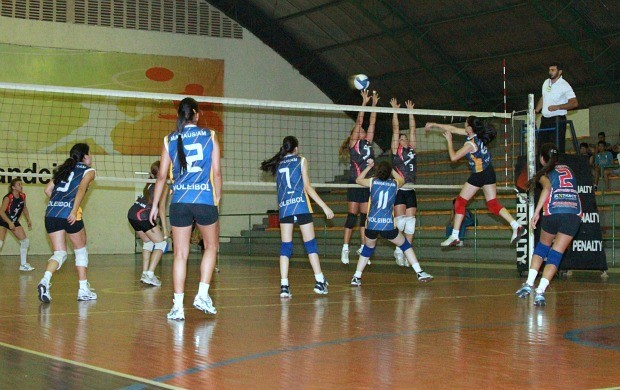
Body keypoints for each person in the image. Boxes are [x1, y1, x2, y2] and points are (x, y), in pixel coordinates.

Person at [149, 97, 222, 321]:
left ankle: (178, 307)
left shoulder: (169, 138)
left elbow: (161, 175)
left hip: (179, 201)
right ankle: (202, 294)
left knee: (180, 254)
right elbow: (217, 173)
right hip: (204, 199)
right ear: (197, 115)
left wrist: (154, 206)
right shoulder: (209, 135)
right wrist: (217, 198)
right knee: (211, 247)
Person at [425, 117, 526, 247]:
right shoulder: (476, 135)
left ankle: (455, 236)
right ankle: (516, 225)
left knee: (460, 202)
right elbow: (453, 129)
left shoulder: (470, 144)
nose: (464, 126)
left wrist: (449, 141)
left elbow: (454, 157)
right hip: (489, 171)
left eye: (466, 124)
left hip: (480, 174)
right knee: (492, 204)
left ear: (470, 128)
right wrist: (434, 123)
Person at [260, 136, 334, 297]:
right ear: (296, 148)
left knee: (286, 247)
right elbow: (307, 187)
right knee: (311, 245)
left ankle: (284, 286)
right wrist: (324, 206)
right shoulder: (301, 160)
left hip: (285, 208)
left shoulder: (278, 163)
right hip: (301, 205)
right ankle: (319, 281)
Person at [515, 143, 582, 306]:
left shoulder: (546, 172)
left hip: (554, 210)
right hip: (574, 213)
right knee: (556, 253)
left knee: (543, 247)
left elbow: (547, 188)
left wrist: (537, 212)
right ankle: (540, 292)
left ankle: (529, 284)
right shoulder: (568, 169)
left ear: (542, 159)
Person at [350, 159, 433, 286]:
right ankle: (419, 272)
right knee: (405, 245)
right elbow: (403, 180)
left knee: (367, 248)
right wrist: (392, 169)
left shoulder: (373, 181)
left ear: (377, 172)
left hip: (372, 225)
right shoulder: (394, 184)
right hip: (387, 226)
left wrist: (369, 167)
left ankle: (356, 277)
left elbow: (358, 179)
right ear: (389, 173)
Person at [37, 143, 97, 303]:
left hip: (51, 213)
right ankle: (83, 290)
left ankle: (45, 280)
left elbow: (47, 190)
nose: (91, 157)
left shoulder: (64, 169)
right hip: (70, 213)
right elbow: (81, 189)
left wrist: (58, 203)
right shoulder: (89, 171)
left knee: (59, 253)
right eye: (90, 154)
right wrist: (72, 209)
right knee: (80, 250)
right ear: (84, 156)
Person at [338, 90, 379, 264]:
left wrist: (374, 105)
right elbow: (361, 120)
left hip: (367, 183)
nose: (362, 130)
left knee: (365, 218)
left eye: (362, 130)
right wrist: (364, 103)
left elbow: (372, 122)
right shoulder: (354, 144)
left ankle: (363, 249)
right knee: (351, 216)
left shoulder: (368, 142)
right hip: (355, 182)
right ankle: (345, 248)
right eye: (359, 129)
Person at [128, 161, 169, 287]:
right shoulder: (164, 185)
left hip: (132, 214)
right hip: (142, 216)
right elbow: (161, 208)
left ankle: (145, 273)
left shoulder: (150, 183)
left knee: (148, 242)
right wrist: (165, 229)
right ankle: (150, 275)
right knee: (161, 243)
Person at [390, 98, 418, 266]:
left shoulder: (412, 148)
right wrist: (395, 110)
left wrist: (411, 112)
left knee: (411, 223)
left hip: (411, 189)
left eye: (405, 138)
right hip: (399, 189)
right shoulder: (396, 151)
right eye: (401, 138)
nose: (404, 139)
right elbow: (395, 129)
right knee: (399, 222)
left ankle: (406, 252)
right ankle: (399, 249)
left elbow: (413, 129)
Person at [535, 62, 578, 154]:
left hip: (557, 120)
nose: (550, 72)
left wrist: (558, 107)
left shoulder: (564, 85)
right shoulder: (546, 82)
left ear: (560, 72)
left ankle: (558, 166)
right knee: (541, 147)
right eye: (549, 70)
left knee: (555, 148)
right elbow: (544, 97)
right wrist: (535, 111)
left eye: (553, 70)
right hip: (545, 120)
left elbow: (574, 103)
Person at [0, 178, 34, 271]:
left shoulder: (23, 196)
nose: (21, 186)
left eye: (21, 184)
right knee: (0, 243)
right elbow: (1, 212)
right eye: (19, 184)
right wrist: (9, 222)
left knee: (25, 241)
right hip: (3, 220)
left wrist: (28, 219)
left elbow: (24, 208)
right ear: (13, 187)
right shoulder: (8, 197)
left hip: (14, 220)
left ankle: (23, 265)